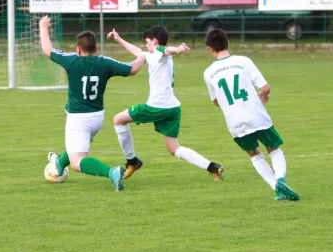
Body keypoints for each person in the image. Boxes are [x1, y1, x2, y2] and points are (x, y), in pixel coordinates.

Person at [40, 16, 145, 191]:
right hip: (97, 118)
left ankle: (112, 172)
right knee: (75, 148)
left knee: (77, 162)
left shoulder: (72, 60)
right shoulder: (104, 62)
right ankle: (58, 163)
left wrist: (43, 27)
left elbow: (47, 49)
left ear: (78, 50)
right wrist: (142, 57)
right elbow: (133, 68)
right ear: (95, 48)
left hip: (78, 119)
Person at [109, 26, 224, 181]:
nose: (146, 45)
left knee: (118, 120)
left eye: (148, 42)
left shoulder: (159, 52)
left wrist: (177, 49)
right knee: (174, 149)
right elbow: (138, 52)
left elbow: (166, 50)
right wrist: (118, 39)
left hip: (157, 107)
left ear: (155, 41)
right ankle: (212, 167)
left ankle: (132, 161)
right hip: (172, 108)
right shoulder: (153, 55)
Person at [203, 28, 299, 201]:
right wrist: (263, 95)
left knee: (255, 155)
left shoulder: (208, 73)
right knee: (273, 148)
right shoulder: (243, 61)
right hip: (256, 115)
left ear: (210, 49)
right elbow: (266, 88)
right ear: (228, 43)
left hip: (235, 121)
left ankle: (276, 188)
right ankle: (280, 179)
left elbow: (216, 101)